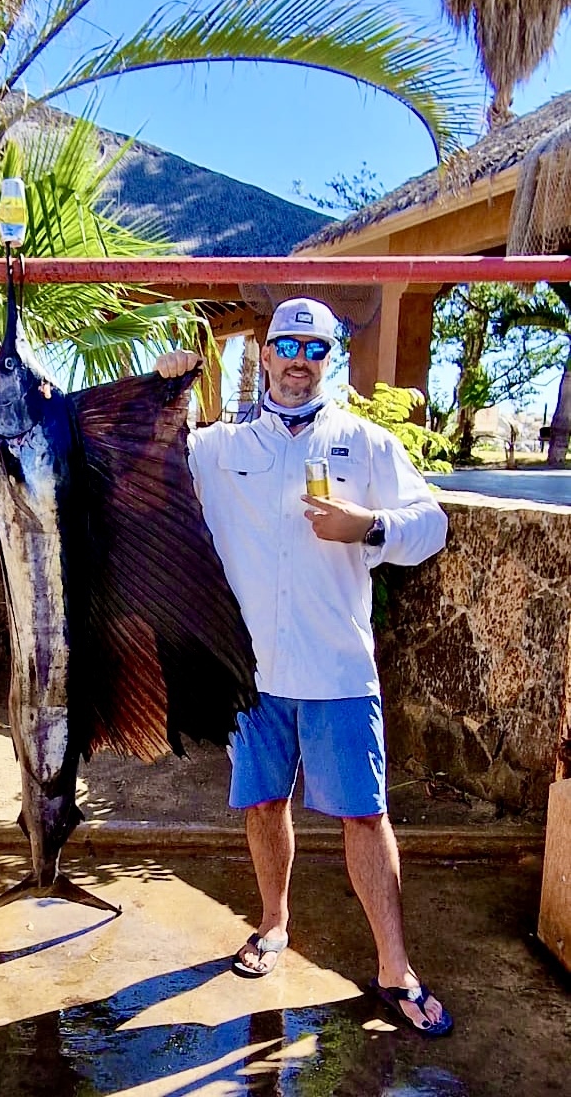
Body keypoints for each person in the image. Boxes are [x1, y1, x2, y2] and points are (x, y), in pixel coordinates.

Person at [155, 296, 453, 1037]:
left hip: (339, 670)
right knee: (263, 805)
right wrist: (167, 388)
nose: (297, 360)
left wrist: (369, 525)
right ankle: (274, 924)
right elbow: (150, 464)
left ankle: (395, 968)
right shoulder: (221, 449)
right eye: (285, 345)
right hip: (251, 672)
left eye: (313, 349)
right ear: (263, 355)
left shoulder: (366, 443)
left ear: (329, 360)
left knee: (365, 814)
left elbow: (432, 523)